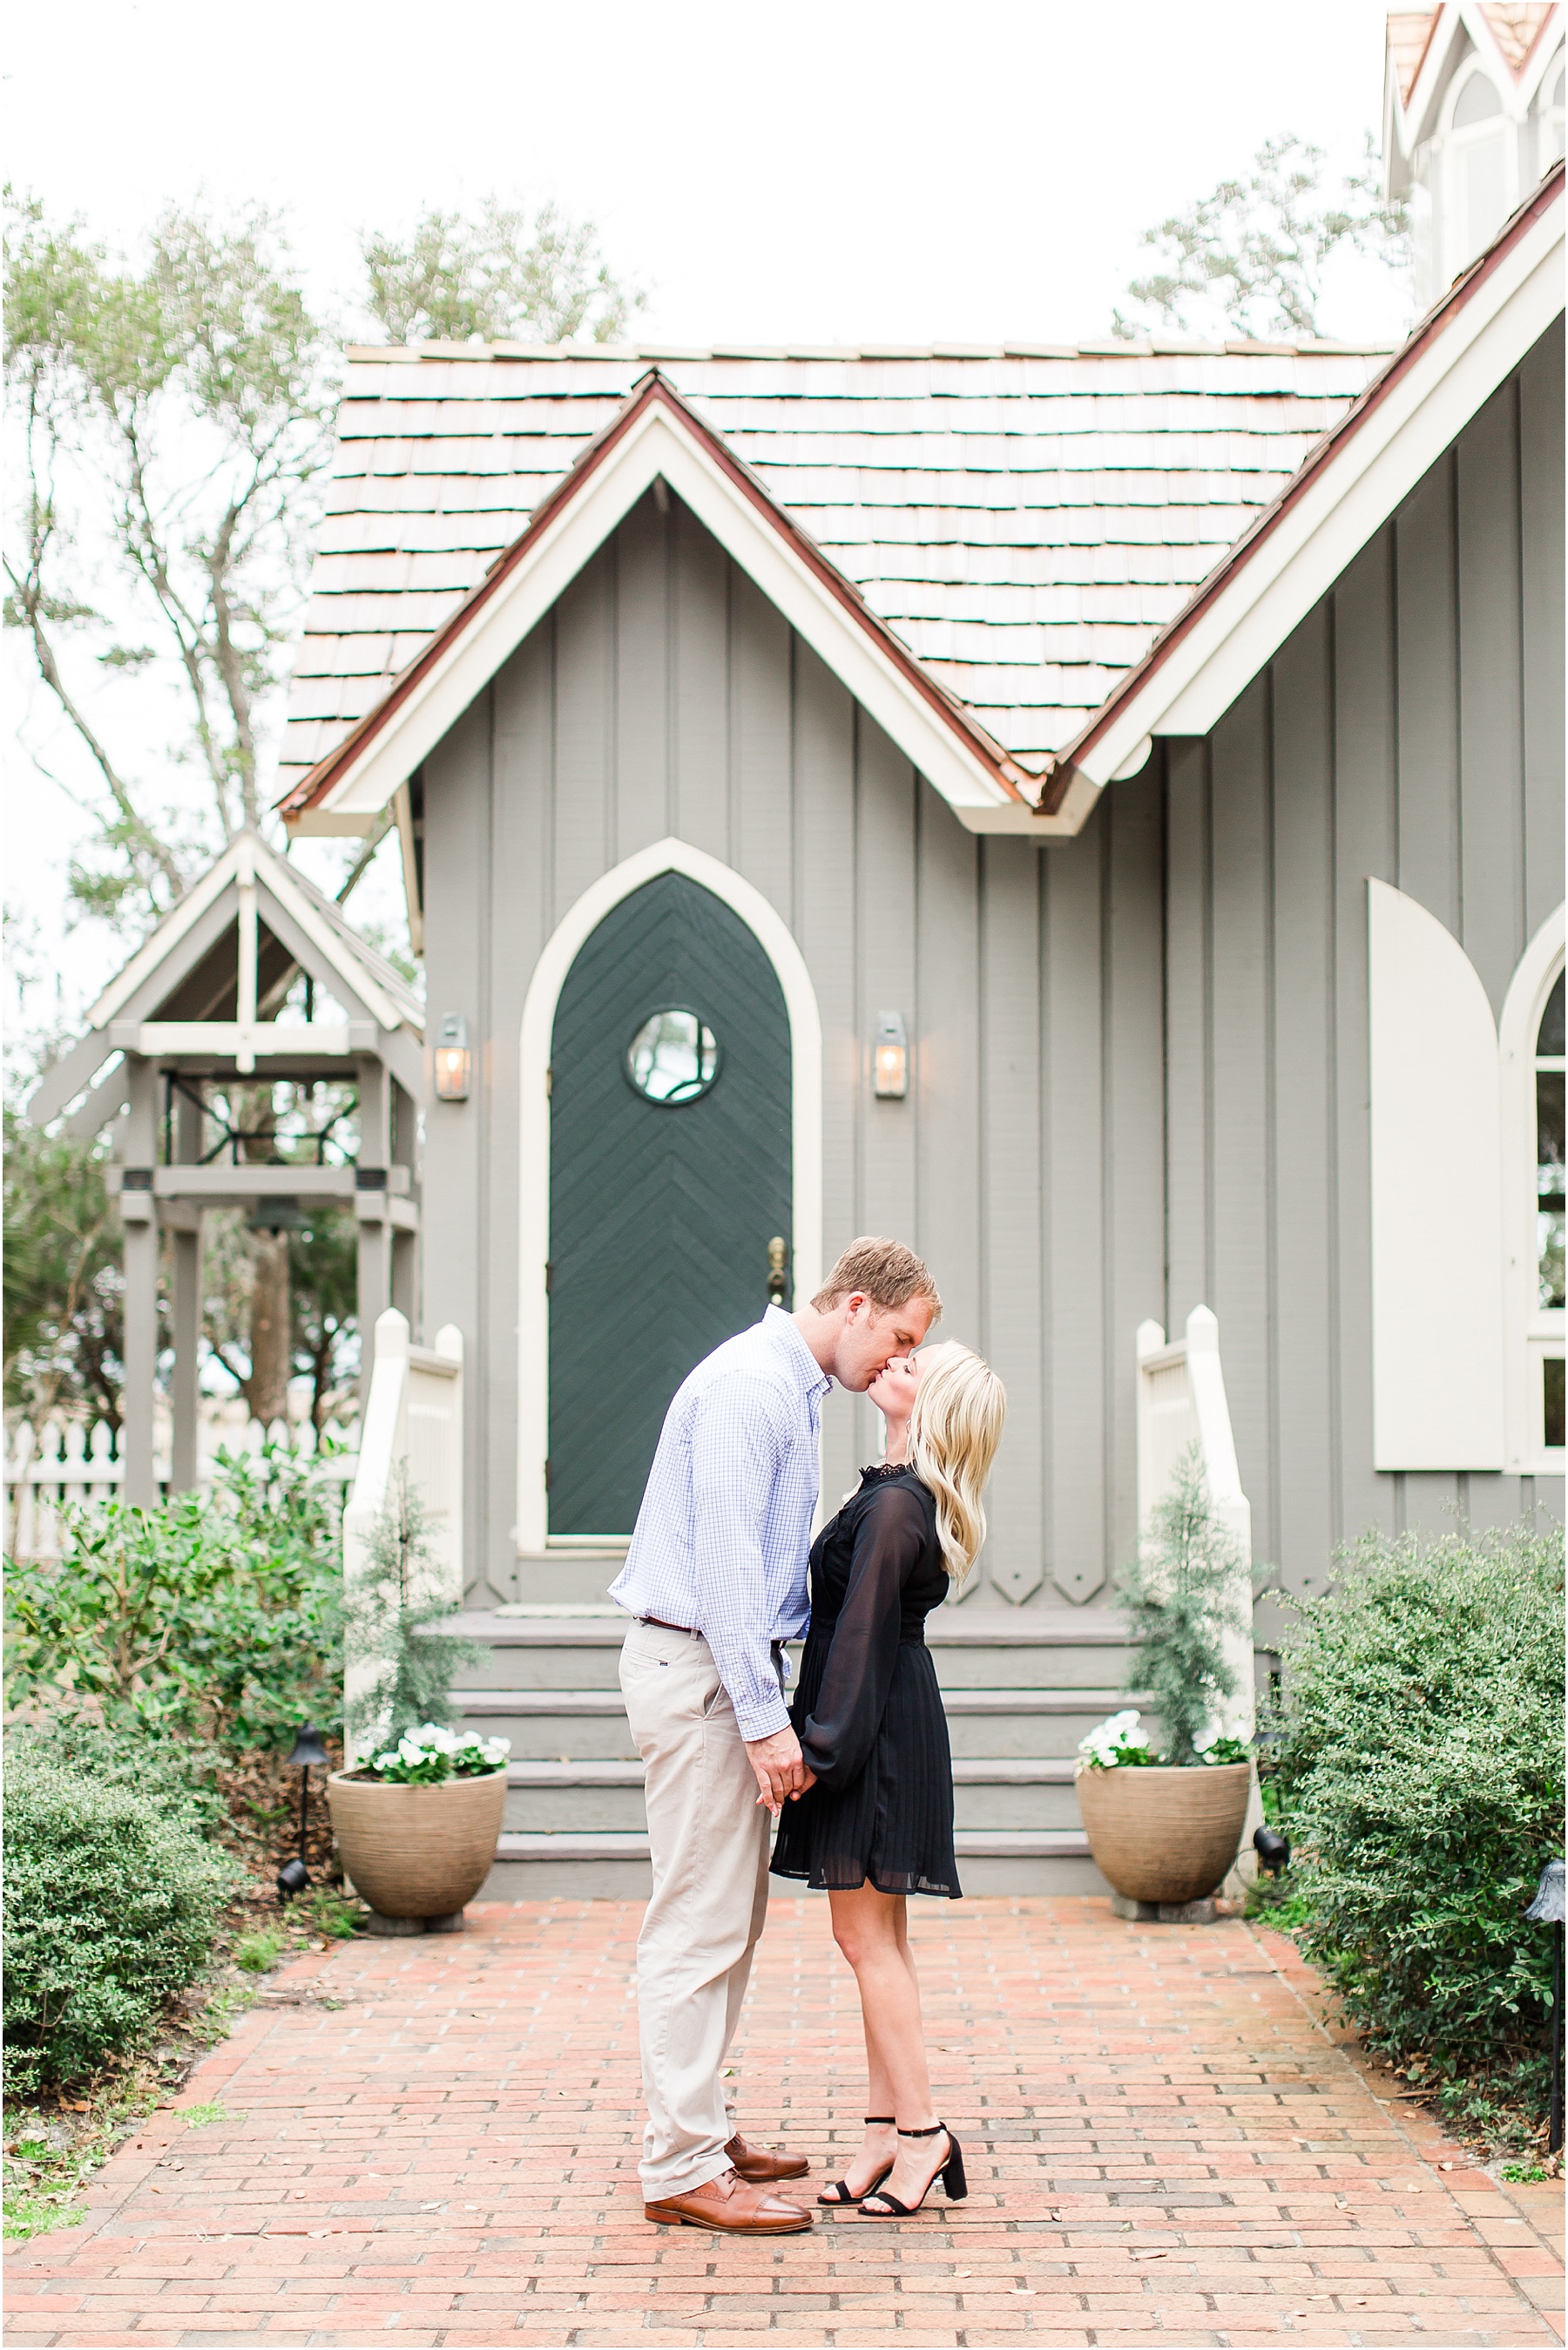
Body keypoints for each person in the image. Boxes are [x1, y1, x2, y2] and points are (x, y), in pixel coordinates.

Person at [609, 1237, 942, 2237]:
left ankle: (699, 2131)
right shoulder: (754, 1390)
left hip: (715, 1672)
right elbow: (722, 1572)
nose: (897, 1360)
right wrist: (765, 1723)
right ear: (850, 1305)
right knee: (696, 1921)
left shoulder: (791, 1388)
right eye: (896, 1337)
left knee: (726, 1916)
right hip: (702, 1673)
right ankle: (678, 2165)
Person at [771, 1341, 1006, 2218]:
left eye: (920, 1363)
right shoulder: (895, 1491)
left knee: (867, 1942)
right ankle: (883, 2131)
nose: (898, 1361)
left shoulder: (902, 1507)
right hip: (886, 1722)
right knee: (877, 1942)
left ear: (935, 1403)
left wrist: (816, 1752)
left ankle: (922, 2135)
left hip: (873, 1734)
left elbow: (862, 1640)